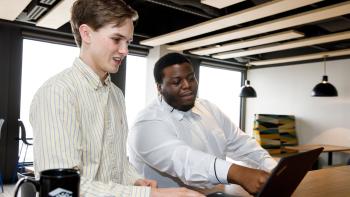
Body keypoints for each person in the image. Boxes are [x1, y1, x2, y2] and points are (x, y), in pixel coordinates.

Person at [29, 0, 203, 196]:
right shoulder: (57, 93)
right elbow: (61, 190)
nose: (125, 51)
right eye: (116, 39)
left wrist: (134, 179)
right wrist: (151, 195)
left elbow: (117, 162)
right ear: (86, 34)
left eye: (127, 42)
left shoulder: (116, 95)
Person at [127, 52, 278, 194]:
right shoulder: (146, 124)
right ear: (159, 88)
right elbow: (186, 161)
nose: (187, 85)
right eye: (176, 82)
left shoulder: (208, 108)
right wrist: (238, 173)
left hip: (212, 193)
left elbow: (240, 142)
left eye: (191, 78)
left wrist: (273, 169)